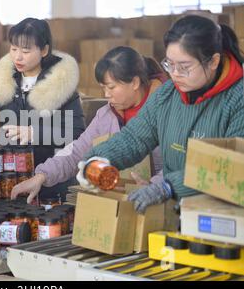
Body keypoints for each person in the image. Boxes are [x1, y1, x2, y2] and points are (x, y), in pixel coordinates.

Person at [78, 15, 244, 214]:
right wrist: (97, 159)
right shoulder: (167, 96)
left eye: (184, 67)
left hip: (228, 219)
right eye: (169, 64)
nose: (174, 74)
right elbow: (133, 138)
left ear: (213, 61)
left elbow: (232, 168)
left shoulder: (237, 100)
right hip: (181, 216)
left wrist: (168, 186)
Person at [0, 18, 86, 201]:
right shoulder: (4, 81)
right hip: (12, 176)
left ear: (44, 50)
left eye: (26, 51)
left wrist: (34, 133)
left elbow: (76, 134)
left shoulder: (62, 87)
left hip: (51, 182)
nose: (18, 57)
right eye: (13, 49)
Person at [11, 46, 167, 204]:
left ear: (134, 82)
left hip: (163, 207)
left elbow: (181, 162)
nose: (106, 95)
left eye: (112, 87)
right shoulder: (107, 115)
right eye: (103, 87)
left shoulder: (167, 110)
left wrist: (156, 187)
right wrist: (42, 176)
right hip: (122, 204)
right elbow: (78, 150)